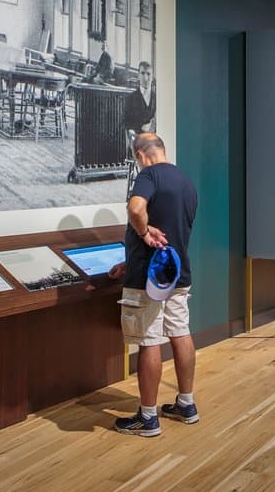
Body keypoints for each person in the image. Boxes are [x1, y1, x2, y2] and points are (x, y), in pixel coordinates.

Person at [108, 133, 199, 436]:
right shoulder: (185, 181)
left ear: (140, 155)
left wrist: (144, 232)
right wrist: (129, 260)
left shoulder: (148, 175)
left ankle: (148, 417)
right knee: (180, 333)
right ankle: (186, 403)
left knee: (149, 341)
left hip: (149, 280)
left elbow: (135, 209)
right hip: (178, 274)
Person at [124, 61, 156, 133]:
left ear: (152, 77)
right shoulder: (130, 98)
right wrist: (141, 127)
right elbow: (126, 123)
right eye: (142, 73)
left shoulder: (158, 97)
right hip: (138, 140)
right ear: (138, 76)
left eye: (148, 74)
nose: (145, 78)